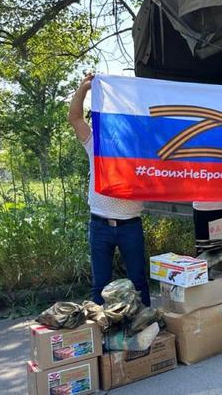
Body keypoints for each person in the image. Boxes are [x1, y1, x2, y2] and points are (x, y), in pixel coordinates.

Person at [68, 74, 151, 306]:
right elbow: (74, 118)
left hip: (130, 225)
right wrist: (83, 89)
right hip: (100, 225)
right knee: (100, 285)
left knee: (138, 282)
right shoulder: (97, 144)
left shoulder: (141, 149)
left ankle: (145, 327)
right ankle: (102, 331)